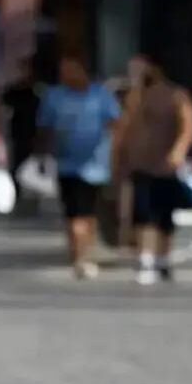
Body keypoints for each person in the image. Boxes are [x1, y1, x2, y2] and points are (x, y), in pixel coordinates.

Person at [37, 54, 121, 280]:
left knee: (89, 213)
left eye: (71, 70)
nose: (67, 76)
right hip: (66, 164)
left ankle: (86, 253)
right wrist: (43, 157)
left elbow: (116, 124)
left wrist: (116, 156)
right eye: (63, 72)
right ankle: (78, 255)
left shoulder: (100, 96)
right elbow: (45, 128)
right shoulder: (54, 97)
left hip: (95, 166)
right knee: (73, 212)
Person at [123, 55, 192, 284]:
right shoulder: (136, 96)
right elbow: (125, 125)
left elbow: (188, 124)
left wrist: (178, 150)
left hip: (165, 166)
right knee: (143, 214)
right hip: (141, 165)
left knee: (164, 215)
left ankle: (163, 258)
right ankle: (146, 259)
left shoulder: (176, 95)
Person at [0, 56, 42, 203]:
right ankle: (19, 196)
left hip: (36, 136)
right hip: (18, 135)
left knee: (35, 168)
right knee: (17, 166)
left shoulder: (39, 91)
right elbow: (3, 103)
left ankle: (33, 196)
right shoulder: (14, 91)